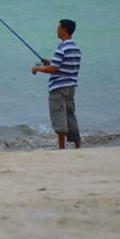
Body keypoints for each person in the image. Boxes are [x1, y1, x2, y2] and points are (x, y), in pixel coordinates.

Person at [31, 19, 82, 149]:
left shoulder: (62, 47)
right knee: (70, 117)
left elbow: (53, 69)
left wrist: (38, 69)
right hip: (70, 88)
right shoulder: (75, 48)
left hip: (58, 88)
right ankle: (77, 145)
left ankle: (61, 148)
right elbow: (63, 65)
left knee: (59, 117)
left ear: (64, 30)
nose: (57, 30)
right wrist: (50, 61)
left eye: (58, 27)